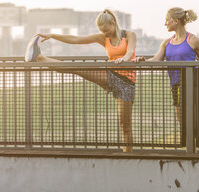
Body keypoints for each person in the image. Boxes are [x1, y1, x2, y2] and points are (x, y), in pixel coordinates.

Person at [24, 9, 137, 152]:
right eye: (102, 31)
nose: (105, 33)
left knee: (124, 124)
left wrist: (124, 59)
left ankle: (128, 155)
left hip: (127, 83)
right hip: (111, 75)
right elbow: (75, 39)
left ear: (113, 23)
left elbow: (130, 52)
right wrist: (52, 35)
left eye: (107, 30)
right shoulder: (103, 38)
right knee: (77, 68)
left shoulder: (129, 35)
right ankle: (40, 58)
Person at [133, 7, 199, 132]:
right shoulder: (166, 43)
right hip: (176, 86)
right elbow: (157, 59)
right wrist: (143, 61)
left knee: (198, 126)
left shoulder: (194, 41)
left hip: (193, 84)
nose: (165, 23)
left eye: (167, 20)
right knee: (184, 125)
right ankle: (191, 151)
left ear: (175, 21)